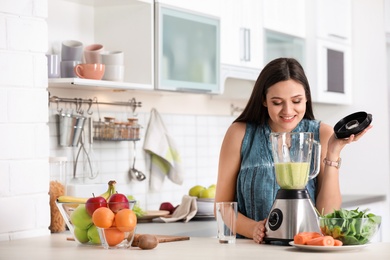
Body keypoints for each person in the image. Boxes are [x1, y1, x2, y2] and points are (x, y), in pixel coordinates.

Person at [214, 57, 372, 244]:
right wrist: (253, 229)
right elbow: (222, 206)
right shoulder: (239, 133)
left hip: (305, 249)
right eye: (277, 102)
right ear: (264, 100)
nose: (287, 110)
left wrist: (334, 151)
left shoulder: (322, 134)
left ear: (306, 97)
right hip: (250, 251)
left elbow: (327, 214)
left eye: (296, 101)